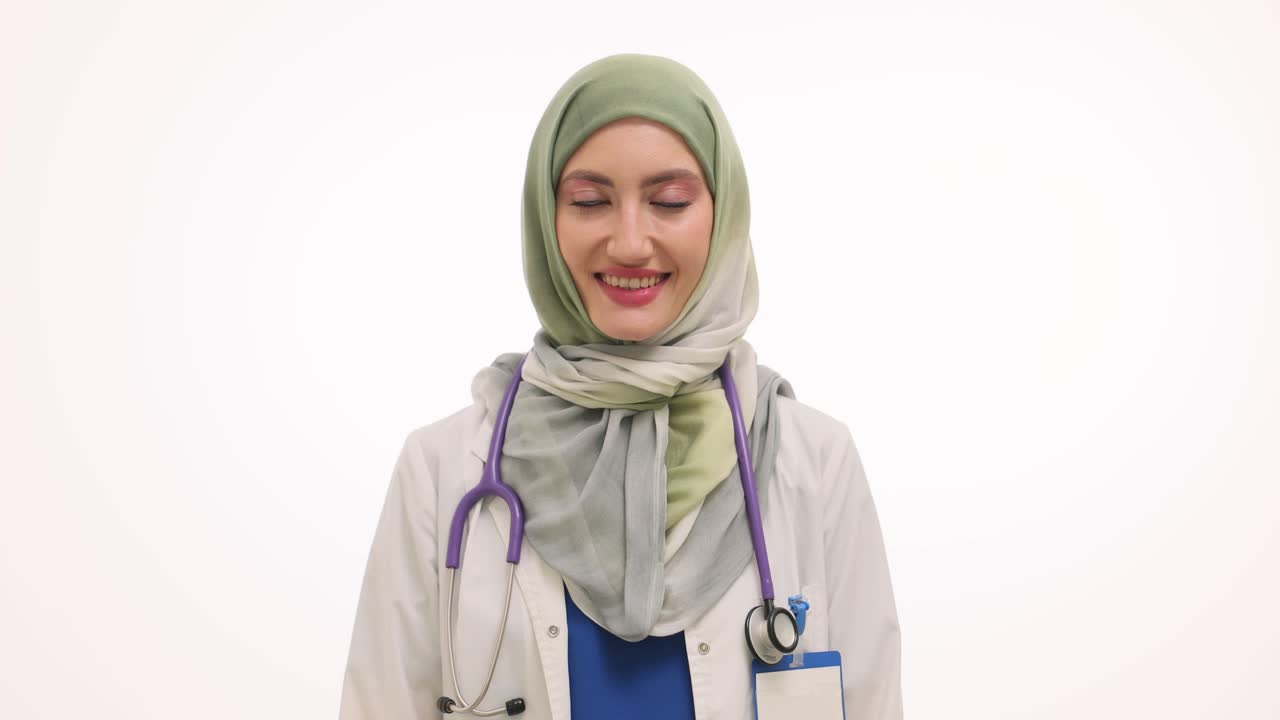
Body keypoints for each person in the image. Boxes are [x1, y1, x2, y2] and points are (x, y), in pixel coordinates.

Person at [339, 53, 903, 720]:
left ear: (723, 216)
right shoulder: (441, 471)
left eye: (669, 202)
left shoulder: (813, 461)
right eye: (589, 202)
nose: (631, 243)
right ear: (546, 220)